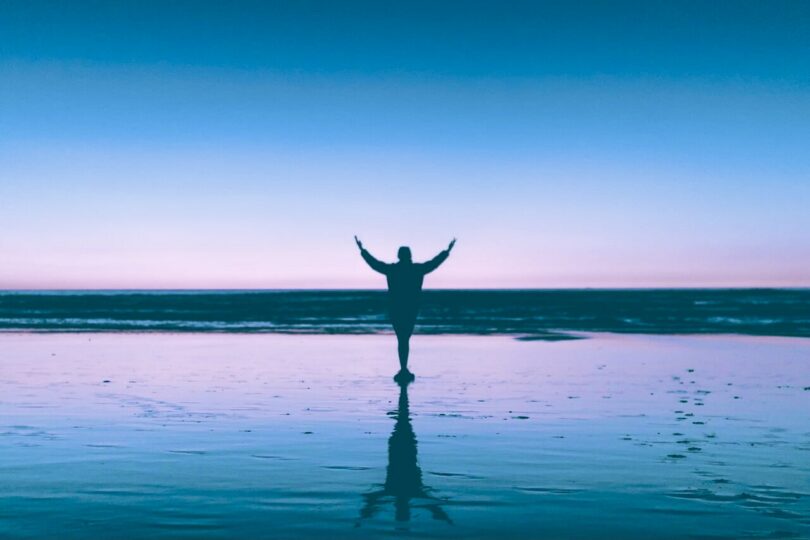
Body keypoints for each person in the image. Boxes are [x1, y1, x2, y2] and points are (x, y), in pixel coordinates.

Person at [355, 235, 455, 381]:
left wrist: (362, 250)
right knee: (404, 338)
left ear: (399, 256)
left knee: (402, 339)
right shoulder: (417, 269)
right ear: (410, 256)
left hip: (396, 308)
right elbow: (434, 263)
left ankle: (403, 369)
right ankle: (403, 369)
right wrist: (446, 251)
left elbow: (374, 264)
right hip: (411, 308)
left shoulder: (393, 269)